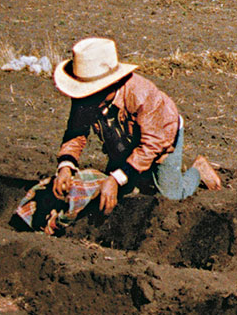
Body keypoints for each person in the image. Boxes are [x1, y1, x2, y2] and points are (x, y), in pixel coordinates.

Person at [35, 36, 220, 223]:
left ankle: (197, 170)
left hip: (161, 138)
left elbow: (151, 145)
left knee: (170, 195)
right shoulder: (85, 100)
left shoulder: (141, 94)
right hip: (122, 138)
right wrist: (65, 167)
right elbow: (75, 134)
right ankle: (138, 176)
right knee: (117, 191)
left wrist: (116, 179)